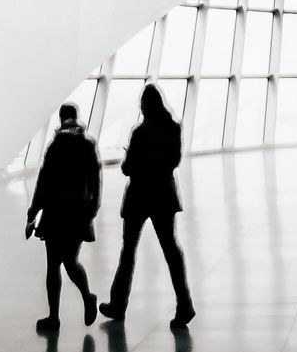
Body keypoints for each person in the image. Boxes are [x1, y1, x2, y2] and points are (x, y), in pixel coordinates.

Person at [101, 82, 194, 331]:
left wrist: (131, 161)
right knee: (171, 249)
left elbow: (127, 167)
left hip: (139, 197)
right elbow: (173, 161)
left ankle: (118, 304)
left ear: (144, 106)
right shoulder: (173, 128)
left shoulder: (140, 132)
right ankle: (184, 303)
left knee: (128, 251)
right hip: (163, 195)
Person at [25, 104, 100, 333]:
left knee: (53, 266)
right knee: (70, 261)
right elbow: (96, 180)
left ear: (61, 119)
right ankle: (87, 297)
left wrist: (33, 212)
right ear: (76, 118)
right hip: (78, 213)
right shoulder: (88, 144)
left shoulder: (55, 145)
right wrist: (92, 209)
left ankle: (54, 317)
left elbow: (44, 181)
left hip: (55, 213)